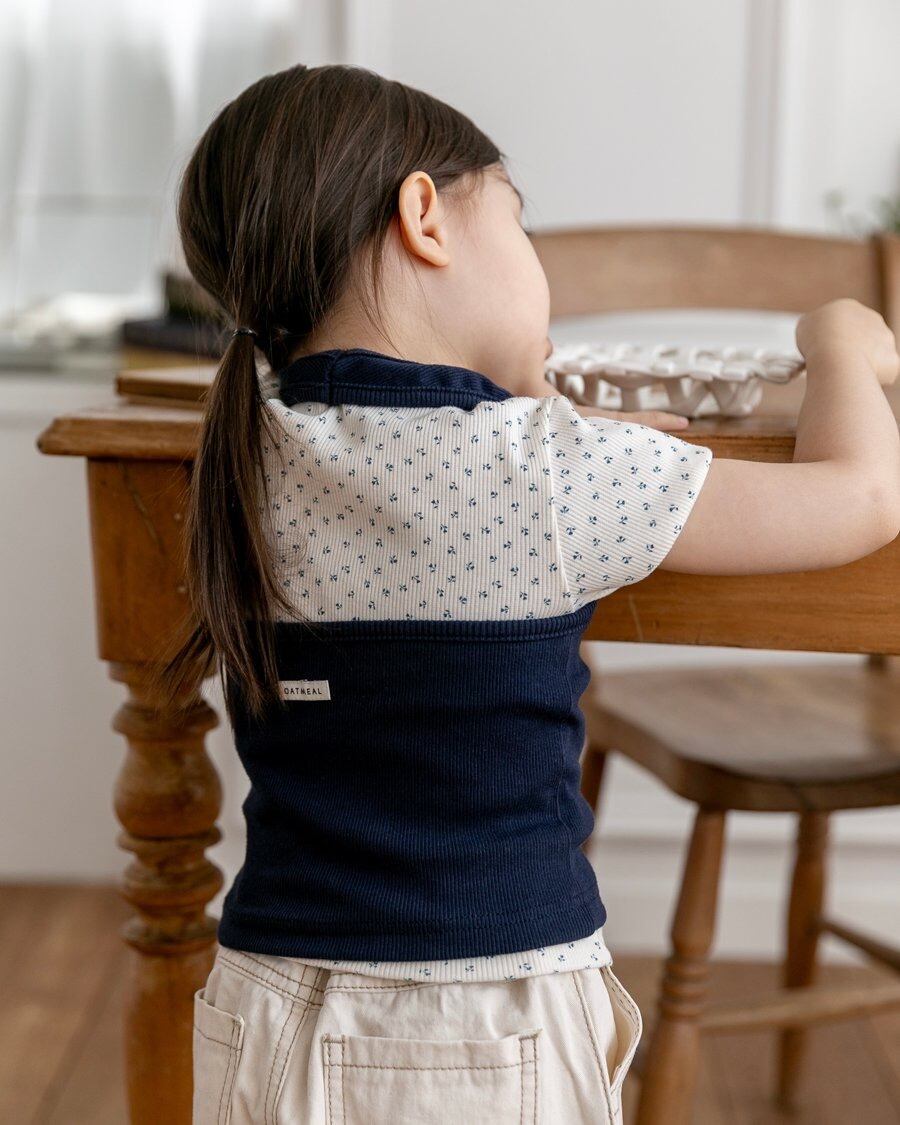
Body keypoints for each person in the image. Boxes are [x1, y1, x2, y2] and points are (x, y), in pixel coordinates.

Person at [160, 63, 900, 1125]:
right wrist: (839, 347)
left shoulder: (246, 449)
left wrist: (560, 427)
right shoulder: (552, 474)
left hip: (263, 1005)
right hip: (479, 1021)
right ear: (425, 217)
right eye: (520, 220)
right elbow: (862, 498)